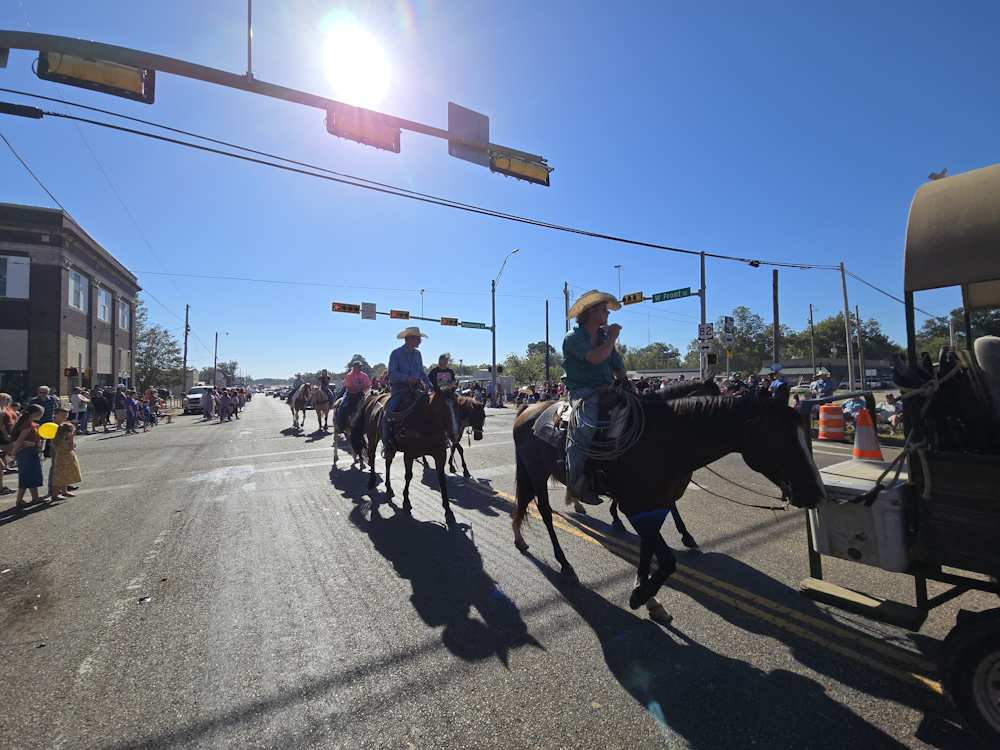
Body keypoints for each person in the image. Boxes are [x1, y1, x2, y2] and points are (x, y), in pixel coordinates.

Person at [562, 289, 627, 504]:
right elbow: (596, 358)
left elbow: (617, 366)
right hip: (582, 393)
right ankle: (575, 483)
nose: (608, 314)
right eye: (603, 310)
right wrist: (613, 338)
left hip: (608, 390)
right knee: (585, 426)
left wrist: (625, 382)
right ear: (591, 312)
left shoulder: (603, 337)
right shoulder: (573, 338)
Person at [383, 326, 432, 453]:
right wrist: (408, 379)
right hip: (399, 390)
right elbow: (392, 374)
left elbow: (421, 372)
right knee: (389, 413)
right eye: (418, 338)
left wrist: (432, 387)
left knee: (432, 408)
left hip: (416, 389)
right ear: (409, 339)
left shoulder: (418, 354)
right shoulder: (396, 353)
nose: (420, 341)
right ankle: (387, 442)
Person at [10, 405, 45, 508]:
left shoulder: (28, 423)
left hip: (29, 452)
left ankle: (35, 498)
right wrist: (13, 453)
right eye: (41, 413)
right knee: (26, 476)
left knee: (31, 476)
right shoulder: (28, 424)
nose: (42, 415)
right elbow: (20, 439)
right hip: (27, 452)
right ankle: (20, 500)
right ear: (35, 413)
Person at [50, 422, 82, 499]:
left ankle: (65, 491)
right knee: (60, 477)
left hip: (64, 458)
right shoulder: (63, 438)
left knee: (65, 475)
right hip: (64, 458)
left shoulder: (60, 437)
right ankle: (55, 495)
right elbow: (68, 447)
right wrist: (71, 442)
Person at [337, 361, 372, 433]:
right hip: (350, 394)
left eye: (360, 366)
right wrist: (361, 387)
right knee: (343, 406)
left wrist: (360, 388)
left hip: (362, 394)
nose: (360, 367)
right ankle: (340, 426)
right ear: (354, 367)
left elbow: (368, 386)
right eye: (358, 366)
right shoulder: (349, 375)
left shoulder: (364, 375)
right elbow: (350, 388)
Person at [0, 393, 16, 496]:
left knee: (1, 465)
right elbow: (1, 425)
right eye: (7, 400)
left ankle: (1, 488)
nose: (9, 402)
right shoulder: (1, 411)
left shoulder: (4, 409)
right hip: (2, 437)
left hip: (4, 436)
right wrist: (6, 435)